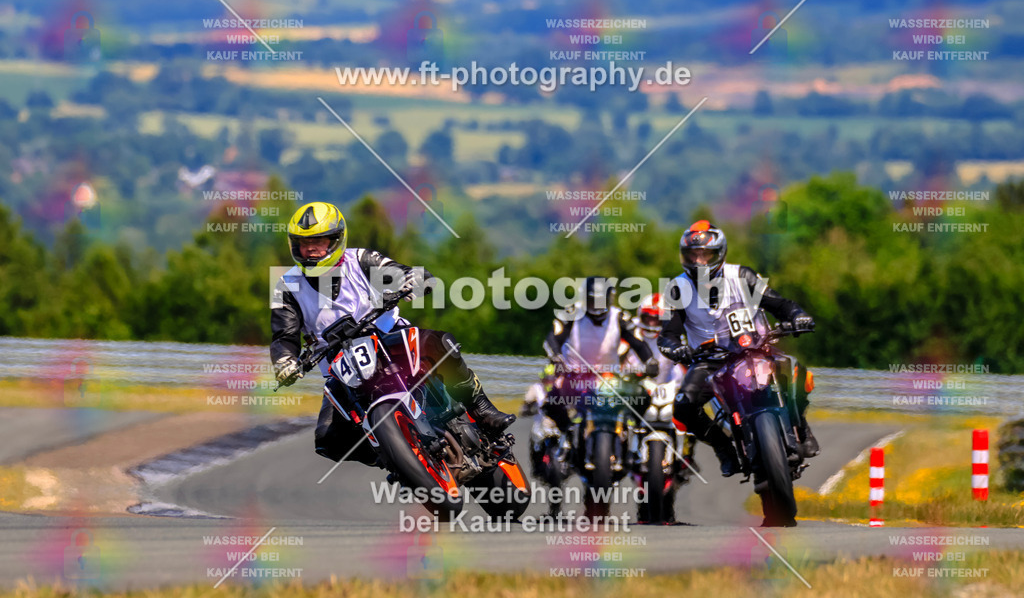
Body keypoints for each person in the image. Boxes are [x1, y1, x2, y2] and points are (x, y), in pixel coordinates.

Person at [270, 201, 515, 465]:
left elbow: (402, 273)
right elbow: (284, 336)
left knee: (442, 343)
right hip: (341, 368)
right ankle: (394, 459)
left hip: (388, 337)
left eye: (318, 241)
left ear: (336, 240)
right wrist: (284, 361)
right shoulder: (287, 286)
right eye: (303, 243)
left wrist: (413, 280)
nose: (310, 249)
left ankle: (482, 409)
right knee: (328, 440)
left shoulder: (360, 260)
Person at [658, 220, 819, 477]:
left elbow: (780, 304)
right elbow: (668, 334)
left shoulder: (743, 276)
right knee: (684, 407)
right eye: (693, 255)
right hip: (710, 359)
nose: (699, 261)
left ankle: (801, 425)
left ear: (719, 253)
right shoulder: (677, 288)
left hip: (756, 348)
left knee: (796, 369)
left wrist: (798, 316)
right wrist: (675, 348)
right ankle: (724, 448)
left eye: (705, 254)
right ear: (684, 257)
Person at [541, 276, 658, 431]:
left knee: (641, 395)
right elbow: (552, 339)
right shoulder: (571, 313)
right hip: (575, 376)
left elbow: (639, 344)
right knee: (552, 402)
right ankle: (566, 433)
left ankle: (631, 431)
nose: (597, 306)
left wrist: (650, 361)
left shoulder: (620, 317)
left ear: (610, 299)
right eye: (592, 301)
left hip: (610, 378)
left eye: (601, 301)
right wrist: (556, 357)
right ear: (584, 299)